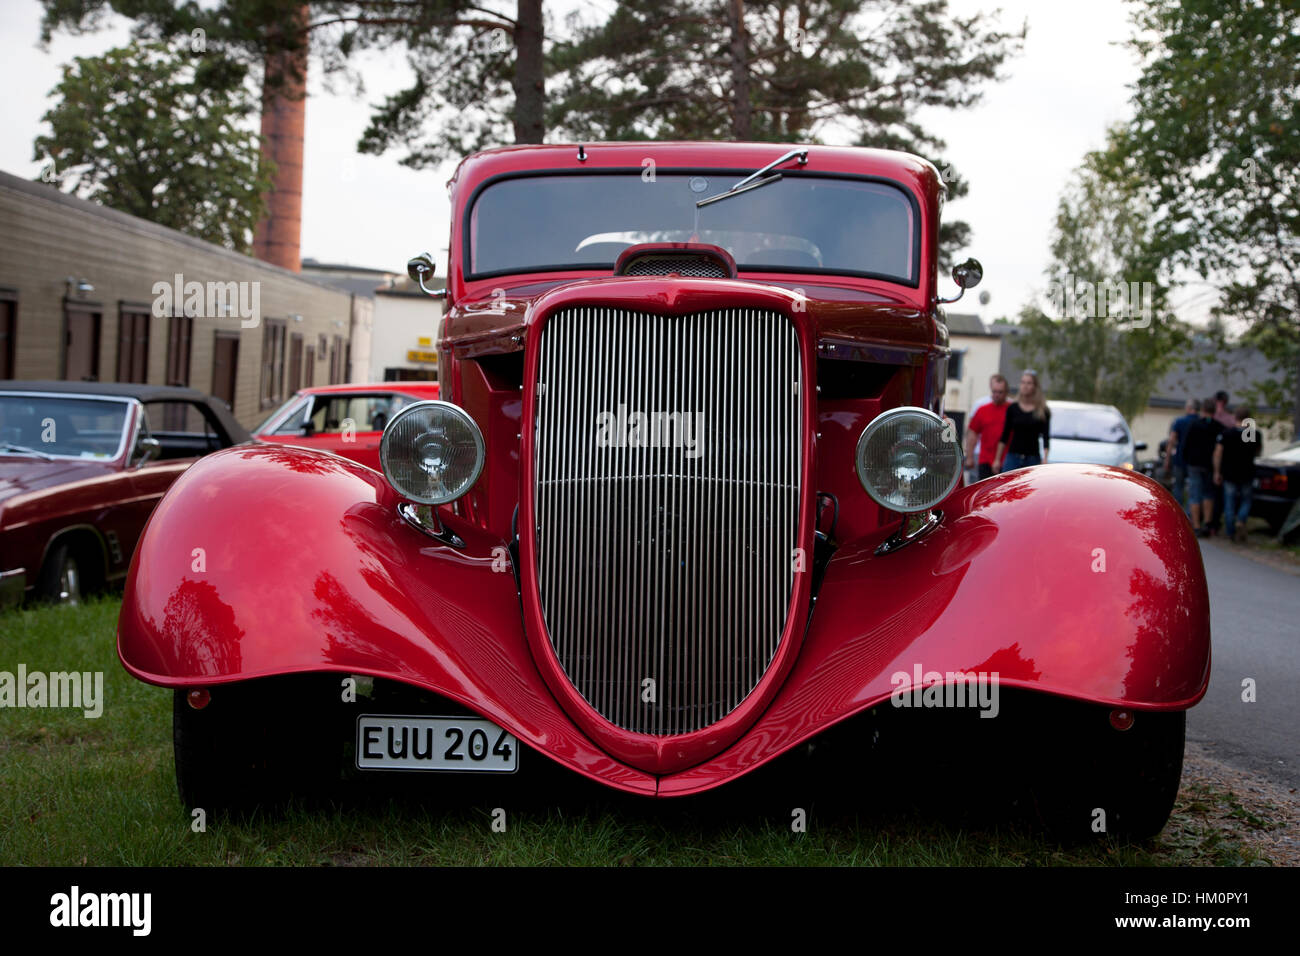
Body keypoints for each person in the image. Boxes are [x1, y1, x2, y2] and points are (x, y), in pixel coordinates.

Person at [1213, 406, 1261, 543]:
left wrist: (1217, 471)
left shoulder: (1227, 433)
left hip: (1229, 473)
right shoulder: (1253, 434)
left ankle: (1230, 531)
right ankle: (1241, 519)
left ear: (1235, 417)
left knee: (1230, 501)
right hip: (1247, 472)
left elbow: (1218, 453)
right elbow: (1258, 452)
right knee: (1246, 500)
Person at [1182, 398, 1224, 537]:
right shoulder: (1219, 427)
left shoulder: (1194, 425)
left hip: (1194, 463)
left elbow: (1185, 444)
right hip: (1210, 465)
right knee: (1208, 494)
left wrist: (1185, 460)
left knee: (1194, 494)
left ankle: (1196, 525)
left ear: (1203, 410)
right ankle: (1207, 522)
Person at [995, 370, 1050, 473]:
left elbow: (1046, 437)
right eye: (1023, 382)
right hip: (1013, 457)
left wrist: (1045, 458)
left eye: (1029, 383)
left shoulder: (1043, 411)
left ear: (1035, 387)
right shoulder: (1013, 408)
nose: (1025, 386)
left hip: (1032, 458)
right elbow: (1005, 435)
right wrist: (997, 459)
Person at [963, 374, 1010, 481]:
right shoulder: (982, 410)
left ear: (1006, 392)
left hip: (1007, 460)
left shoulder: (1011, 409)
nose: (996, 395)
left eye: (1000, 392)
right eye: (994, 392)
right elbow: (972, 434)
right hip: (985, 458)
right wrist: (969, 456)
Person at [1164, 398, 1199, 514]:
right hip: (1195, 461)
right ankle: (1189, 515)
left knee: (1178, 487)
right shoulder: (1200, 422)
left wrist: (1167, 459)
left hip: (1179, 459)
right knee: (1193, 490)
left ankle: (1177, 512)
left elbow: (1172, 441)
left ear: (1188, 408)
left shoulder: (1179, 422)